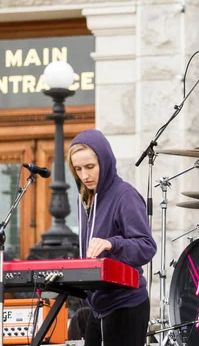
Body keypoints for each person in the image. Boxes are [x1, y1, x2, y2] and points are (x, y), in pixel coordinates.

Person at [67, 129, 157, 346]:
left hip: (126, 305)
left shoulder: (125, 196)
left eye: (90, 167)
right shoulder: (86, 199)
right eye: (78, 169)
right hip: (97, 307)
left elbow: (147, 246)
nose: (85, 175)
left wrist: (111, 243)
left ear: (104, 161)